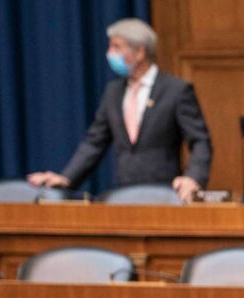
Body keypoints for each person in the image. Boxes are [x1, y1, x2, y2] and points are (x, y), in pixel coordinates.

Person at [27, 17, 210, 201]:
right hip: (123, 195)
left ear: (139, 51)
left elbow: (200, 140)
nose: (109, 53)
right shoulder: (113, 92)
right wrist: (66, 178)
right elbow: (94, 142)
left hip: (163, 194)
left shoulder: (175, 90)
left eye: (116, 47)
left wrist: (193, 178)